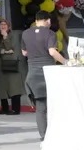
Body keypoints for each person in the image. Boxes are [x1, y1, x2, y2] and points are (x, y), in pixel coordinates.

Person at [22, 11, 68, 141]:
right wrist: (66, 62)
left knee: (40, 107)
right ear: (48, 21)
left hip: (33, 73)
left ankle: (44, 136)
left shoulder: (25, 33)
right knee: (54, 105)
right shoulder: (50, 33)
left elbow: (24, 53)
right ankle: (56, 133)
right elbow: (52, 52)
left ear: (36, 20)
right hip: (48, 73)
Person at [0, 19, 26, 115]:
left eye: (5, 24)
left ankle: (15, 109)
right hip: (0, 64)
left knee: (14, 86)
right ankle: (4, 108)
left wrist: (5, 37)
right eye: (1, 24)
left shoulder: (14, 35)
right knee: (1, 87)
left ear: (9, 26)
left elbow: (11, 47)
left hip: (12, 63)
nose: (3, 26)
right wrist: (4, 51)